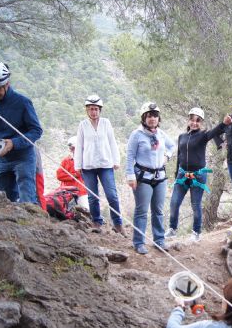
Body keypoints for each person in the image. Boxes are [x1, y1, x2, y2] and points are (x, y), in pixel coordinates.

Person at [0, 61, 42, 204]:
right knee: (3, 201)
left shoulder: (23, 102)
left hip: (24, 157)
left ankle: (31, 225)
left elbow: (36, 131)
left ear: (7, 84)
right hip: (1, 159)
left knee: (27, 199)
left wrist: (13, 143)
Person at [125, 102, 175, 254]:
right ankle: (139, 242)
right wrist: (130, 176)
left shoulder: (160, 133)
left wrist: (167, 156)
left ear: (158, 118)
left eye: (155, 116)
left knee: (158, 210)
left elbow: (172, 146)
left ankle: (159, 240)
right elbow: (130, 156)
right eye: (149, 116)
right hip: (143, 177)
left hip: (160, 177)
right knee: (142, 211)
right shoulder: (137, 135)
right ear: (144, 118)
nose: (152, 119)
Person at [166, 107, 221, 242]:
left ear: (201, 122)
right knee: (174, 202)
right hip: (182, 175)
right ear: (188, 120)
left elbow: (215, 132)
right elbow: (179, 155)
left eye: (198, 120)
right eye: (192, 120)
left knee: (195, 204)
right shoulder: (182, 137)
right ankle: (172, 229)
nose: (194, 123)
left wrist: (224, 123)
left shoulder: (203, 136)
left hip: (198, 176)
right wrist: (176, 173)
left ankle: (196, 232)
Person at [74, 94, 124, 234]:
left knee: (111, 195)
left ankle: (118, 224)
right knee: (92, 196)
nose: (93, 112)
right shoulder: (83, 125)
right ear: (87, 110)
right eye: (90, 109)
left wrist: (116, 160)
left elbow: (112, 141)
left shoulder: (106, 123)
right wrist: (77, 165)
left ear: (100, 110)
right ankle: (96, 222)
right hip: (88, 166)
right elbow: (79, 145)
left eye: (96, 109)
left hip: (106, 164)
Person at [56, 136, 89, 210]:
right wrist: (73, 175)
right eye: (71, 148)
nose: (72, 150)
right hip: (67, 192)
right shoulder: (66, 160)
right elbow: (59, 175)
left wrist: (69, 175)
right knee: (67, 212)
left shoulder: (85, 159)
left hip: (81, 192)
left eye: (73, 148)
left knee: (86, 211)